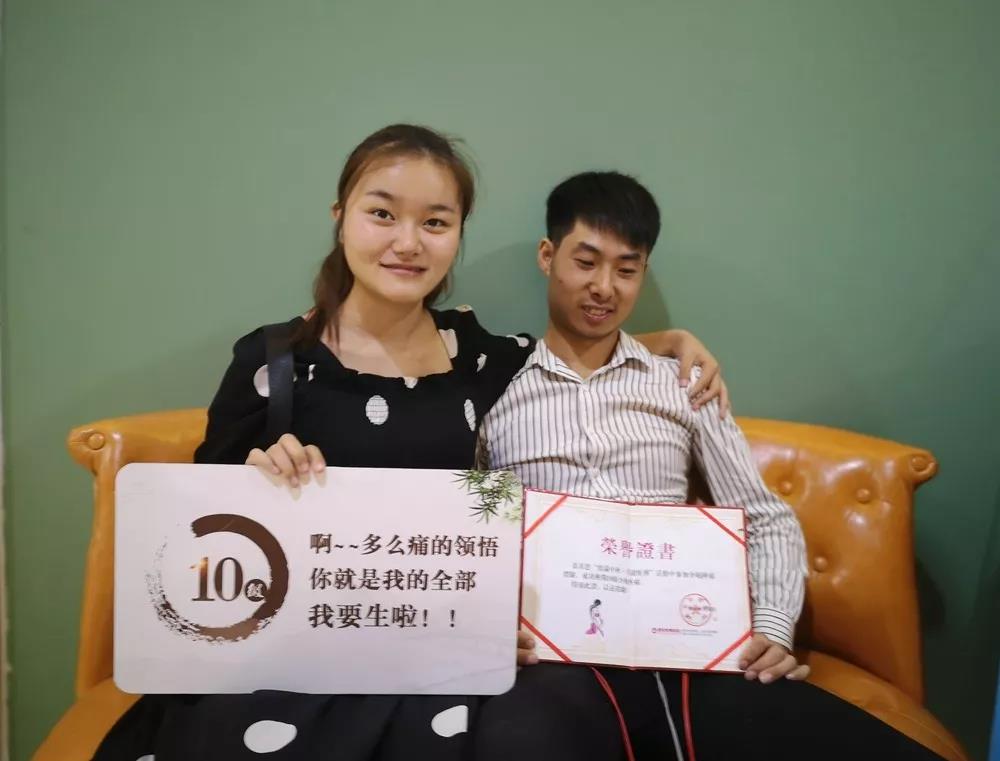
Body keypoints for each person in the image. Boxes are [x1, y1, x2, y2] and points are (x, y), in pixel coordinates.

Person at [93, 124, 728, 761]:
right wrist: (251, 485)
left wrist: (666, 344)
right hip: (290, 663)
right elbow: (196, 554)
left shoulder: (480, 357)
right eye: (381, 214)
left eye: (435, 222)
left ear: (457, 234)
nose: (407, 242)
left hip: (436, 668)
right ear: (341, 217)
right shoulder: (274, 363)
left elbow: (576, 356)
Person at [471, 170, 945, 760]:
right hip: (554, 660)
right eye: (585, 262)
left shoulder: (681, 383)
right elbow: (471, 531)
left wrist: (772, 630)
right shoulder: (493, 387)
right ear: (548, 257)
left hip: (689, 650)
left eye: (627, 269)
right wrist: (486, 620)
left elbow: (763, 517)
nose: (604, 287)